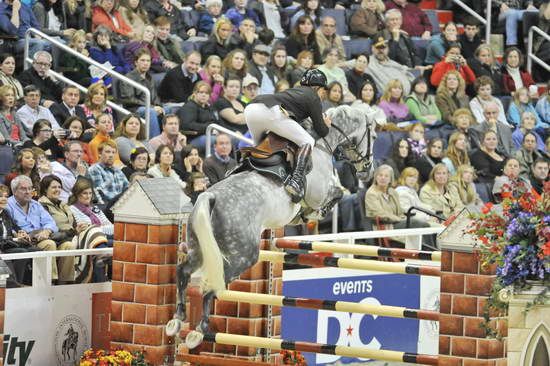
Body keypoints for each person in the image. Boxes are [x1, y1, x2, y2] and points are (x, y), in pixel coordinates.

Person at [244, 69, 331, 201]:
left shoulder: (295, 90)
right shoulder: (312, 96)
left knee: (259, 148)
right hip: (270, 112)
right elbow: (321, 130)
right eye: (323, 90)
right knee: (308, 141)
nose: (323, 93)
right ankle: (295, 181)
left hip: (251, 109)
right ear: (316, 87)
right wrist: (327, 124)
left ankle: (244, 169)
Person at [7, 175, 76, 283]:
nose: (28, 192)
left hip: (43, 236)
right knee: (49, 244)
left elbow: (51, 222)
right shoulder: (8, 205)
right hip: (27, 241)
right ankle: (49, 281)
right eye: (23, 189)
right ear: (14, 191)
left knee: (69, 246)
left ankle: (65, 282)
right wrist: (18, 235)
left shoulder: (36, 205)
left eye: (30, 188)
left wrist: (47, 231)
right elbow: (8, 227)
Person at [365, 164, 433, 248]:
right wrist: (397, 218)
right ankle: (429, 252)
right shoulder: (371, 193)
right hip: (385, 226)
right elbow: (379, 214)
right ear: (376, 177)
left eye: (386, 176)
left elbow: (400, 211)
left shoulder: (392, 192)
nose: (383, 178)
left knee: (424, 224)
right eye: (380, 175)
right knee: (419, 224)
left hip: (397, 222)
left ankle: (431, 251)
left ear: (390, 179)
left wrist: (402, 217)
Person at [0, 184, 40, 287]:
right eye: (0, 196)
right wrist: (15, 238)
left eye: (6, 196)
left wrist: (22, 233)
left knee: (36, 250)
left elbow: (16, 227)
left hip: (9, 243)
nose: (4, 199)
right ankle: (16, 285)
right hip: (3, 245)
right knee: (21, 252)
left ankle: (37, 284)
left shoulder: (5, 212)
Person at [119, 48, 164, 137]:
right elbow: (129, 99)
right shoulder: (128, 77)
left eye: (148, 61)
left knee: (170, 108)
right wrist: (152, 107)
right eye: (142, 60)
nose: (146, 63)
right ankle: (155, 142)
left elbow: (155, 96)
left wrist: (159, 106)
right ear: (136, 62)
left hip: (149, 107)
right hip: (135, 109)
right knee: (150, 112)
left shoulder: (149, 77)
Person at [177, 82, 217, 150]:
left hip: (208, 135)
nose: (204, 95)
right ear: (194, 93)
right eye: (201, 92)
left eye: (207, 93)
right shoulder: (189, 107)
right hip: (192, 138)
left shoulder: (209, 108)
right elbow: (188, 125)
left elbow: (216, 122)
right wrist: (209, 128)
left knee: (228, 138)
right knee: (217, 140)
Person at [88, 140, 129, 205]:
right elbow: (100, 194)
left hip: (121, 206)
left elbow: (128, 189)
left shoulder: (118, 171)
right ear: (99, 154)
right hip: (105, 206)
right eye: (108, 152)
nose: (111, 155)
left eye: (113, 152)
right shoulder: (94, 169)